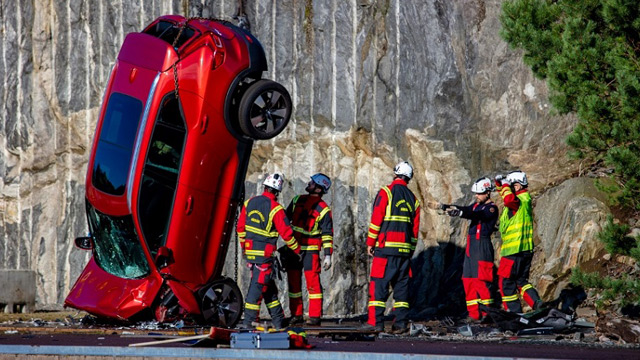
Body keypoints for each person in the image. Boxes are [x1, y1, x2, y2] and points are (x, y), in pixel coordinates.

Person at [236, 173, 300, 329]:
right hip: (264, 256)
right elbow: (286, 234)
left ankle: (279, 321)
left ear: (264, 186)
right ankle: (248, 322)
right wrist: (297, 250)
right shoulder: (276, 208)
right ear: (277, 192)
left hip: (251, 254)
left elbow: (240, 228)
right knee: (256, 290)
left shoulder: (249, 203)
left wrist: (245, 247)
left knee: (268, 288)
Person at [363, 161, 420, 334]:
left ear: (395, 173)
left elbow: (376, 219)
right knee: (401, 291)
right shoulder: (414, 200)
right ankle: (401, 324)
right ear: (409, 178)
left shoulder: (386, 192)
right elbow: (414, 231)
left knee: (378, 286)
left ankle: (375, 322)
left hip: (385, 250)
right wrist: (409, 251)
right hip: (404, 253)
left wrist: (370, 243)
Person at [431, 177, 498, 321]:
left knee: (481, 280)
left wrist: (460, 214)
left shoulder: (491, 208)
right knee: (468, 280)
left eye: (479, 193)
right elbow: (465, 209)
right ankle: (473, 314)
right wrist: (444, 206)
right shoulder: (475, 206)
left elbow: (477, 215)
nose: (476, 196)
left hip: (482, 246)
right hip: (471, 246)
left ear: (487, 193)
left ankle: (487, 314)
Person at [285, 173, 334, 326]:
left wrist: (328, 255)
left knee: (313, 284)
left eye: (312, 183)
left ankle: (314, 317)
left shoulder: (324, 209)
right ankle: (296, 314)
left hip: (311, 251)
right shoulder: (296, 200)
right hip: (293, 249)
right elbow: (284, 220)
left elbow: (327, 234)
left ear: (319, 189)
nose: (309, 183)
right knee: (294, 285)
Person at [494, 170, 542, 313]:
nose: (509, 189)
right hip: (524, 251)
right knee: (522, 282)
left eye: (512, 185)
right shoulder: (523, 199)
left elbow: (508, 199)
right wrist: (500, 184)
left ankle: (514, 314)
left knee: (506, 283)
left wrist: (504, 184)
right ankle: (537, 304)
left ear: (519, 186)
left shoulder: (517, 201)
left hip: (513, 251)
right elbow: (505, 194)